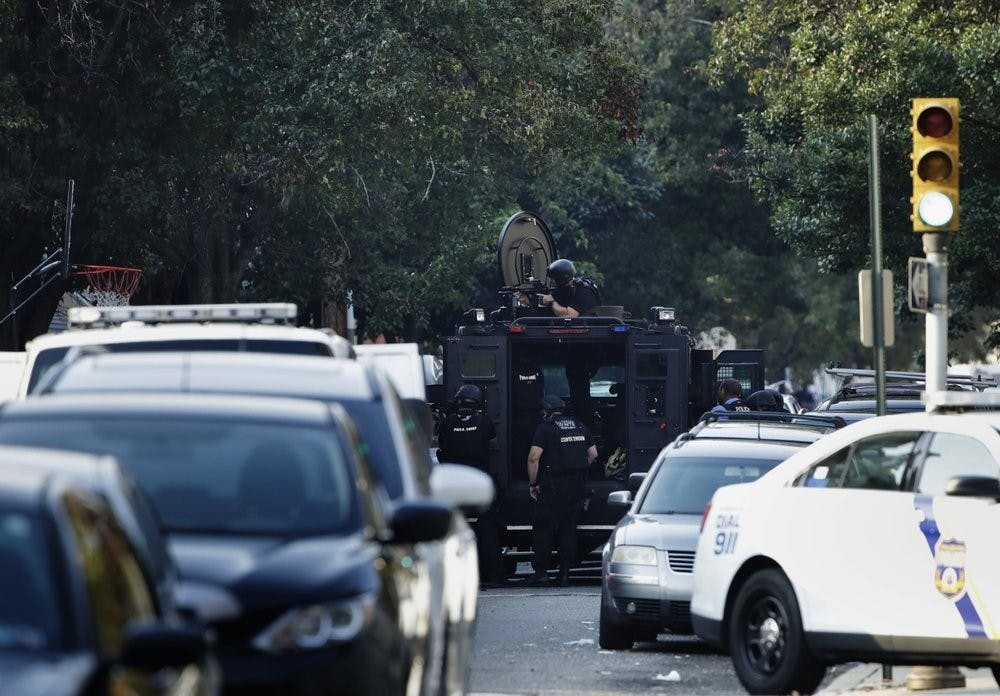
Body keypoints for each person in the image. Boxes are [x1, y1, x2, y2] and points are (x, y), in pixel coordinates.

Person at [526, 395, 597, 587]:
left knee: (543, 527)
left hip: (552, 485)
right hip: (576, 486)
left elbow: (534, 458)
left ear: (548, 411)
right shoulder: (580, 426)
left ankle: (541, 573)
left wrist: (534, 483)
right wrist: (579, 469)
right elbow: (593, 454)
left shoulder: (546, 428)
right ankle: (564, 574)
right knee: (568, 528)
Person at [437, 384, 503, 587]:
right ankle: (493, 576)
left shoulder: (447, 424)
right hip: (479, 482)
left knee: (454, 531)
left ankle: (456, 577)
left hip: (455, 484)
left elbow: (441, 447)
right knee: (488, 529)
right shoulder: (484, 421)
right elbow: (494, 444)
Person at [516, 259, 601, 318]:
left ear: (561, 279)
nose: (552, 282)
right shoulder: (564, 289)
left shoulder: (584, 290)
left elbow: (569, 315)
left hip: (586, 331)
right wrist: (528, 301)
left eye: (554, 279)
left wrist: (552, 302)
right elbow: (549, 309)